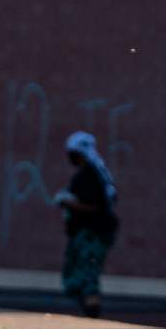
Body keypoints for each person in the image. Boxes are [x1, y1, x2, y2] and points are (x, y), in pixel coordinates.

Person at [53, 132, 119, 318]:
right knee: (75, 277)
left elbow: (95, 207)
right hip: (83, 232)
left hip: (93, 233)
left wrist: (69, 203)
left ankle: (92, 313)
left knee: (88, 275)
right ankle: (88, 310)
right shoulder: (88, 174)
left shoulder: (91, 176)